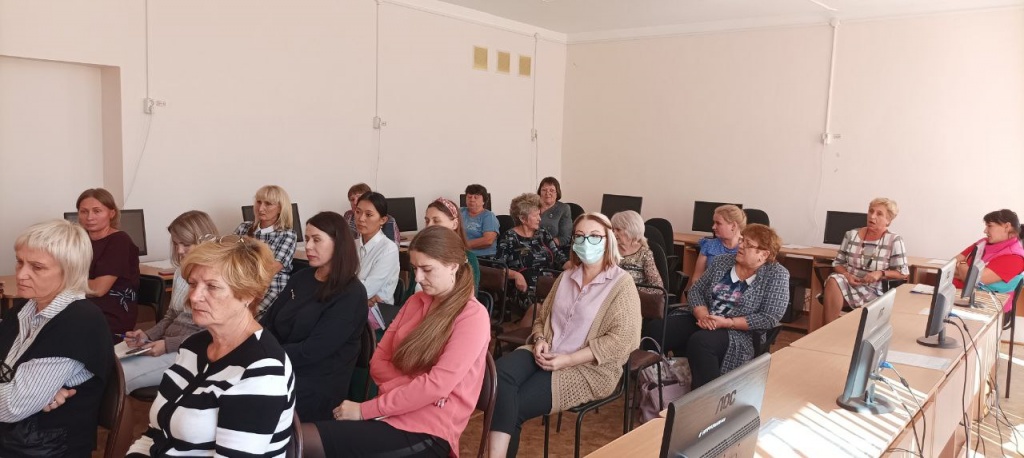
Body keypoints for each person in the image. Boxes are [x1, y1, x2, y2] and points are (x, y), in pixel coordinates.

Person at [302, 226, 491, 458]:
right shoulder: (415, 302)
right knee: (301, 439)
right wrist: (415, 390)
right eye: (414, 269)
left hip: (429, 429)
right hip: (392, 412)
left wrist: (365, 410)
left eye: (427, 269)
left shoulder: (472, 316)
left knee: (303, 442)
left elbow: (436, 385)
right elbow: (379, 362)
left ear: (453, 266)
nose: (418, 278)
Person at [489, 212, 642, 458]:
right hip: (547, 351)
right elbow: (541, 318)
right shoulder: (566, 277)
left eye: (594, 236)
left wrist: (567, 360)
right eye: (580, 236)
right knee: (497, 378)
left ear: (608, 240)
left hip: (586, 368)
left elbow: (624, 340)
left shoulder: (621, 284)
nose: (585, 242)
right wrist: (539, 339)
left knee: (511, 405)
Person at [127, 236, 295, 457]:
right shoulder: (192, 347)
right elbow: (156, 434)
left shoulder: (262, 370)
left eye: (212, 287)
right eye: (193, 284)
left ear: (247, 294)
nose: (195, 297)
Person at [0, 220, 115, 457]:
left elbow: (12, 406)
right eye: (20, 261)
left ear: (69, 270)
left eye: (37, 267)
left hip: (42, 447)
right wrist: (26, 394)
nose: (21, 274)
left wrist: (20, 395)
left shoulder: (78, 322)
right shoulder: (24, 308)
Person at [641, 224, 789, 389]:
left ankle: (708, 401)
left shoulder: (777, 275)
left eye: (748, 244)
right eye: (741, 240)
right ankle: (651, 389)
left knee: (701, 343)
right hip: (705, 317)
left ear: (764, 254)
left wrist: (727, 322)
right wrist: (702, 313)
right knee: (656, 329)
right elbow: (696, 290)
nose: (740, 246)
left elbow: (769, 317)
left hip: (738, 331)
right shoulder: (722, 262)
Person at [262, 211, 368, 422]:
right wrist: (257, 348)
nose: (308, 246)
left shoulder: (351, 293)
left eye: (316, 240)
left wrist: (266, 356)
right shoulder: (301, 278)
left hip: (317, 383)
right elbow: (269, 321)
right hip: (282, 365)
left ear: (338, 244)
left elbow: (313, 352)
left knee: (250, 399)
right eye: (308, 239)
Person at [121, 210, 217, 393]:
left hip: (194, 352)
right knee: (105, 362)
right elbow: (171, 315)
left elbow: (213, 334)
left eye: (186, 244)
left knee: (119, 377)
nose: (180, 251)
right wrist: (148, 336)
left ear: (205, 240)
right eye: (176, 244)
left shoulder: (218, 278)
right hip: (170, 343)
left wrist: (168, 345)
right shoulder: (181, 272)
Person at [821, 198, 909, 327]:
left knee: (834, 284)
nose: (872, 216)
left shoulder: (894, 240)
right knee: (834, 280)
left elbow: (903, 273)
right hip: (849, 282)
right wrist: (847, 275)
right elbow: (837, 263)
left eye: (879, 214)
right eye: (870, 211)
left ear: (888, 220)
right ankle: (826, 332)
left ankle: (834, 333)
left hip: (875, 290)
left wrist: (880, 273)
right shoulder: (851, 235)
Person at [76, 187, 140, 338]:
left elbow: (99, 289)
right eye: (84, 211)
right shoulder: (81, 240)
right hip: (85, 306)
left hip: (111, 314)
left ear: (111, 213)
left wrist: (64, 282)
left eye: (97, 211)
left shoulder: (119, 240)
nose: (89, 217)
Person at [233, 184, 297, 318]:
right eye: (258, 202)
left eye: (268, 204)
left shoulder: (287, 235)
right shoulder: (243, 228)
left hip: (270, 286)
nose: (261, 208)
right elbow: (227, 257)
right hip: (241, 281)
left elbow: (270, 270)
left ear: (280, 208)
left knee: (241, 317)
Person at [495, 193, 568, 301]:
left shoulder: (543, 233)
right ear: (522, 218)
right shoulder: (509, 237)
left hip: (548, 283)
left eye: (539, 214)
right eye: (535, 215)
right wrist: (516, 275)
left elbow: (558, 256)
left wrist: (574, 267)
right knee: (547, 306)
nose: (539, 219)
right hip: (523, 287)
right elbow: (499, 267)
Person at [953, 209, 1024, 318]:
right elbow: (951, 265)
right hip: (962, 296)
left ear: (1007, 226)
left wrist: (962, 264)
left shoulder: (1014, 257)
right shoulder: (984, 242)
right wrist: (965, 273)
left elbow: (974, 279)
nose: (985, 231)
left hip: (989, 307)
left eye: (989, 226)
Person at [422, 197, 481, 290]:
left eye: (436, 221)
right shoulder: (422, 256)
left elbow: (468, 300)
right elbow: (408, 296)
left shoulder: (468, 259)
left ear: (454, 224)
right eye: (427, 221)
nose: (429, 226)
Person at [355, 191, 400, 306]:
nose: (361, 218)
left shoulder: (389, 249)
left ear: (382, 220)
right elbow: (336, 279)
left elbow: (365, 291)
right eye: (358, 212)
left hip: (377, 314)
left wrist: (361, 292)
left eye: (368, 215)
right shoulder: (352, 245)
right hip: (352, 306)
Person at [687, 204, 745, 292]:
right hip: (708, 295)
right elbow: (696, 278)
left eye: (718, 223)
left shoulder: (747, 248)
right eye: (714, 223)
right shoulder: (708, 245)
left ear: (733, 226)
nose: (713, 227)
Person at [611, 210, 664, 294]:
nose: (613, 233)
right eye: (613, 229)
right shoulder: (609, 250)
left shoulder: (644, 253)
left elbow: (658, 288)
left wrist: (630, 292)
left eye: (618, 230)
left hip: (634, 300)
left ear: (631, 230)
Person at [460, 184, 500, 257]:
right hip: (462, 255)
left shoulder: (489, 216)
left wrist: (461, 245)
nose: (472, 199)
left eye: (476, 197)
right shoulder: (460, 212)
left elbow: (488, 241)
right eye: (469, 197)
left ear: (483, 201)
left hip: (483, 257)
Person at [538, 177, 572, 247]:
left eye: (552, 190)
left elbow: (565, 238)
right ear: (540, 192)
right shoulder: (532, 206)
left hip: (551, 249)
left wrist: (546, 246)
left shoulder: (563, 209)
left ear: (557, 193)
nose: (548, 193)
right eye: (544, 190)